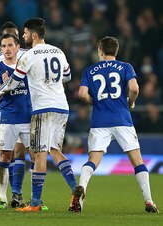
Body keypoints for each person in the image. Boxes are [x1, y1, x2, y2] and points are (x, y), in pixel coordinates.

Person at [0, 18, 77, 212]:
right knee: (55, 150)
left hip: (41, 109)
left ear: (34, 35)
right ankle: (74, 187)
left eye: (25, 33)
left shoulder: (28, 56)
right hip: (62, 106)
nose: (23, 36)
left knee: (39, 155)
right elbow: (68, 76)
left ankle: (35, 203)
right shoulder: (59, 51)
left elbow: (13, 83)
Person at [72, 36, 159, 213]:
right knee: (137, 161)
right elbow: (134, 88)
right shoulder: (125, 67)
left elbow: (81, 94)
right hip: (122, 119)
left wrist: (92, 101)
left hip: (99, 121)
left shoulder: (90, 70)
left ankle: (81, 192)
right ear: (116, 51)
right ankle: (149, 201)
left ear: (100, 51)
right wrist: (131, 102)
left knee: (93, 160)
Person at [0, 33, 31, 210]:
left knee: (35, 156)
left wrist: (6, 86)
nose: (7, 49)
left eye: (10, 45)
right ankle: (2, 198)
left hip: (28, 116)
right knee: (4, 156)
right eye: (4, 46)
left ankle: (34, 198)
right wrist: (3, 86)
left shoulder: (26, 67)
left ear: (17, 47)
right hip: (7, 117)